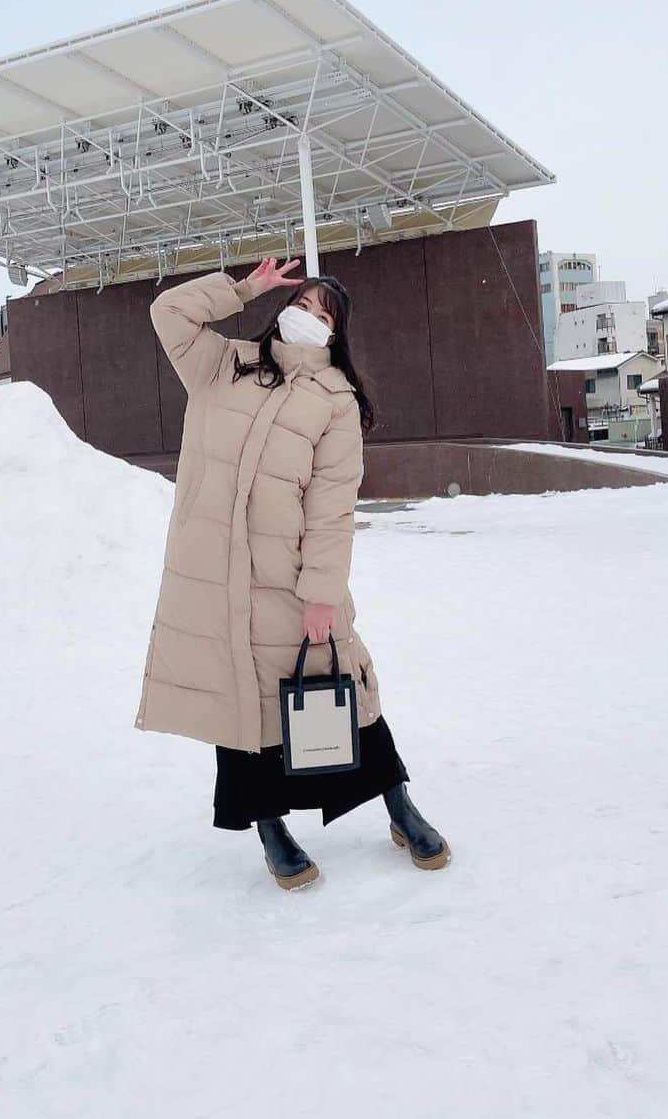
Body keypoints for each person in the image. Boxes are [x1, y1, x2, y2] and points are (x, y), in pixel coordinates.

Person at [134, 255, 449, 890]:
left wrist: (322, 594)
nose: (305, 317)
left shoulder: (336, 401)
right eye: (300, 305)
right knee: (240, 707)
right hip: (216, 580)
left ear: (337, 334)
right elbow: (167, 312)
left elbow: (333, 507)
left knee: (347, 693)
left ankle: (398, 802)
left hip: (290, 581)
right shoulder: (225, 365)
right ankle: (270, 826)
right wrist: (243, 289)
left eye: (321, 313)